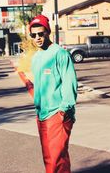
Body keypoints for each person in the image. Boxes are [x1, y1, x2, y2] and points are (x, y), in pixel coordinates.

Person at [29, 14, 77, 173]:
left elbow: (70, 84)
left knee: (55, 160)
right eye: (33, 35)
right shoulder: (36, 58)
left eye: (40, 33)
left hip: (57, 113)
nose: (37, 38)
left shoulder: (60, 54)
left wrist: (65, 110)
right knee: (52, 158)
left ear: (48, 32)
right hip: (42, 115)